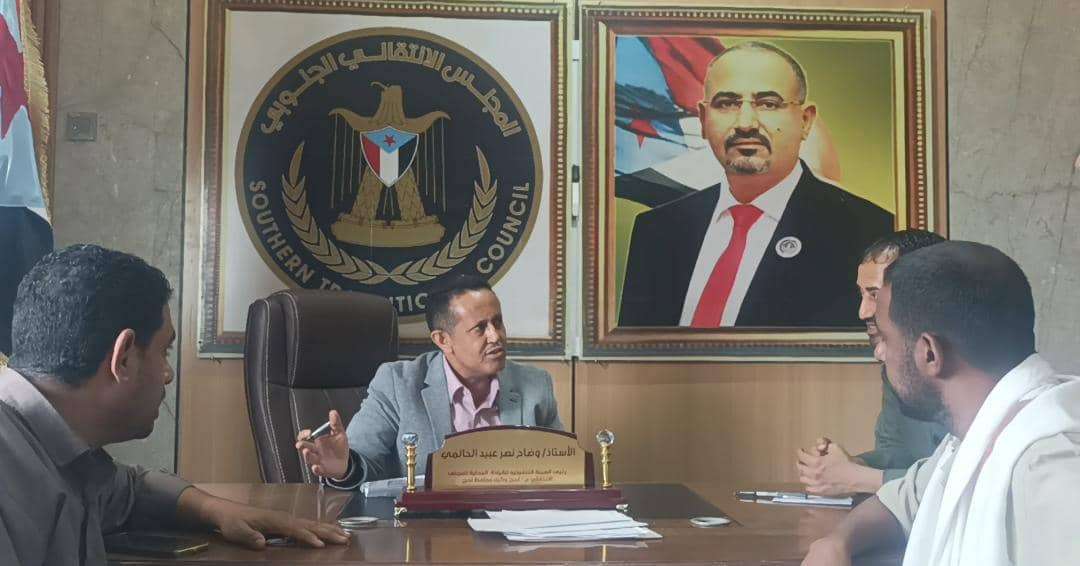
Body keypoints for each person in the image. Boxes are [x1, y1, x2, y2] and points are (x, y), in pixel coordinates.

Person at [0, 244, 348, 565]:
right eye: (164, 351)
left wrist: (215, 510)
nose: (167, 374)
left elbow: (132, 490)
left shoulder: (58, 450)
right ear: (123, 358)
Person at [802, 241, 1080, 566]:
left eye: (886, 339)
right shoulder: (973, 439)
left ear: (929, 353)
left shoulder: (1052, 468)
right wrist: (836, 542)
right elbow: (901, 502)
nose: (880, 353)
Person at [619, 41, 893, 327]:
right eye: (726, 104)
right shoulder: (657, 230)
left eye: (768, 104)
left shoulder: (871, 235)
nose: (746, 123)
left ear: (805, 121)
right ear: (703, 119)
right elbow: (634, 351)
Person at [297, 275, 563, 488]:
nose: (496, 336)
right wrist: (344, 467)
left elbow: (562, 469)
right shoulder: (398, 383)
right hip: (427, 529)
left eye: (498, 322)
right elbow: (363, 459)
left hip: (511, 529)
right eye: (480, 328)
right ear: (443, 340)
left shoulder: (535, 385)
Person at [797, 230, 948, 496]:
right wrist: (854, 466)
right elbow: (898, 450)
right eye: (862, 295)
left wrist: (858, 479)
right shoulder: (896, 362)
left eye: (875, 295)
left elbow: (966, 482)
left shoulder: (976, 369)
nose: (862, 312)